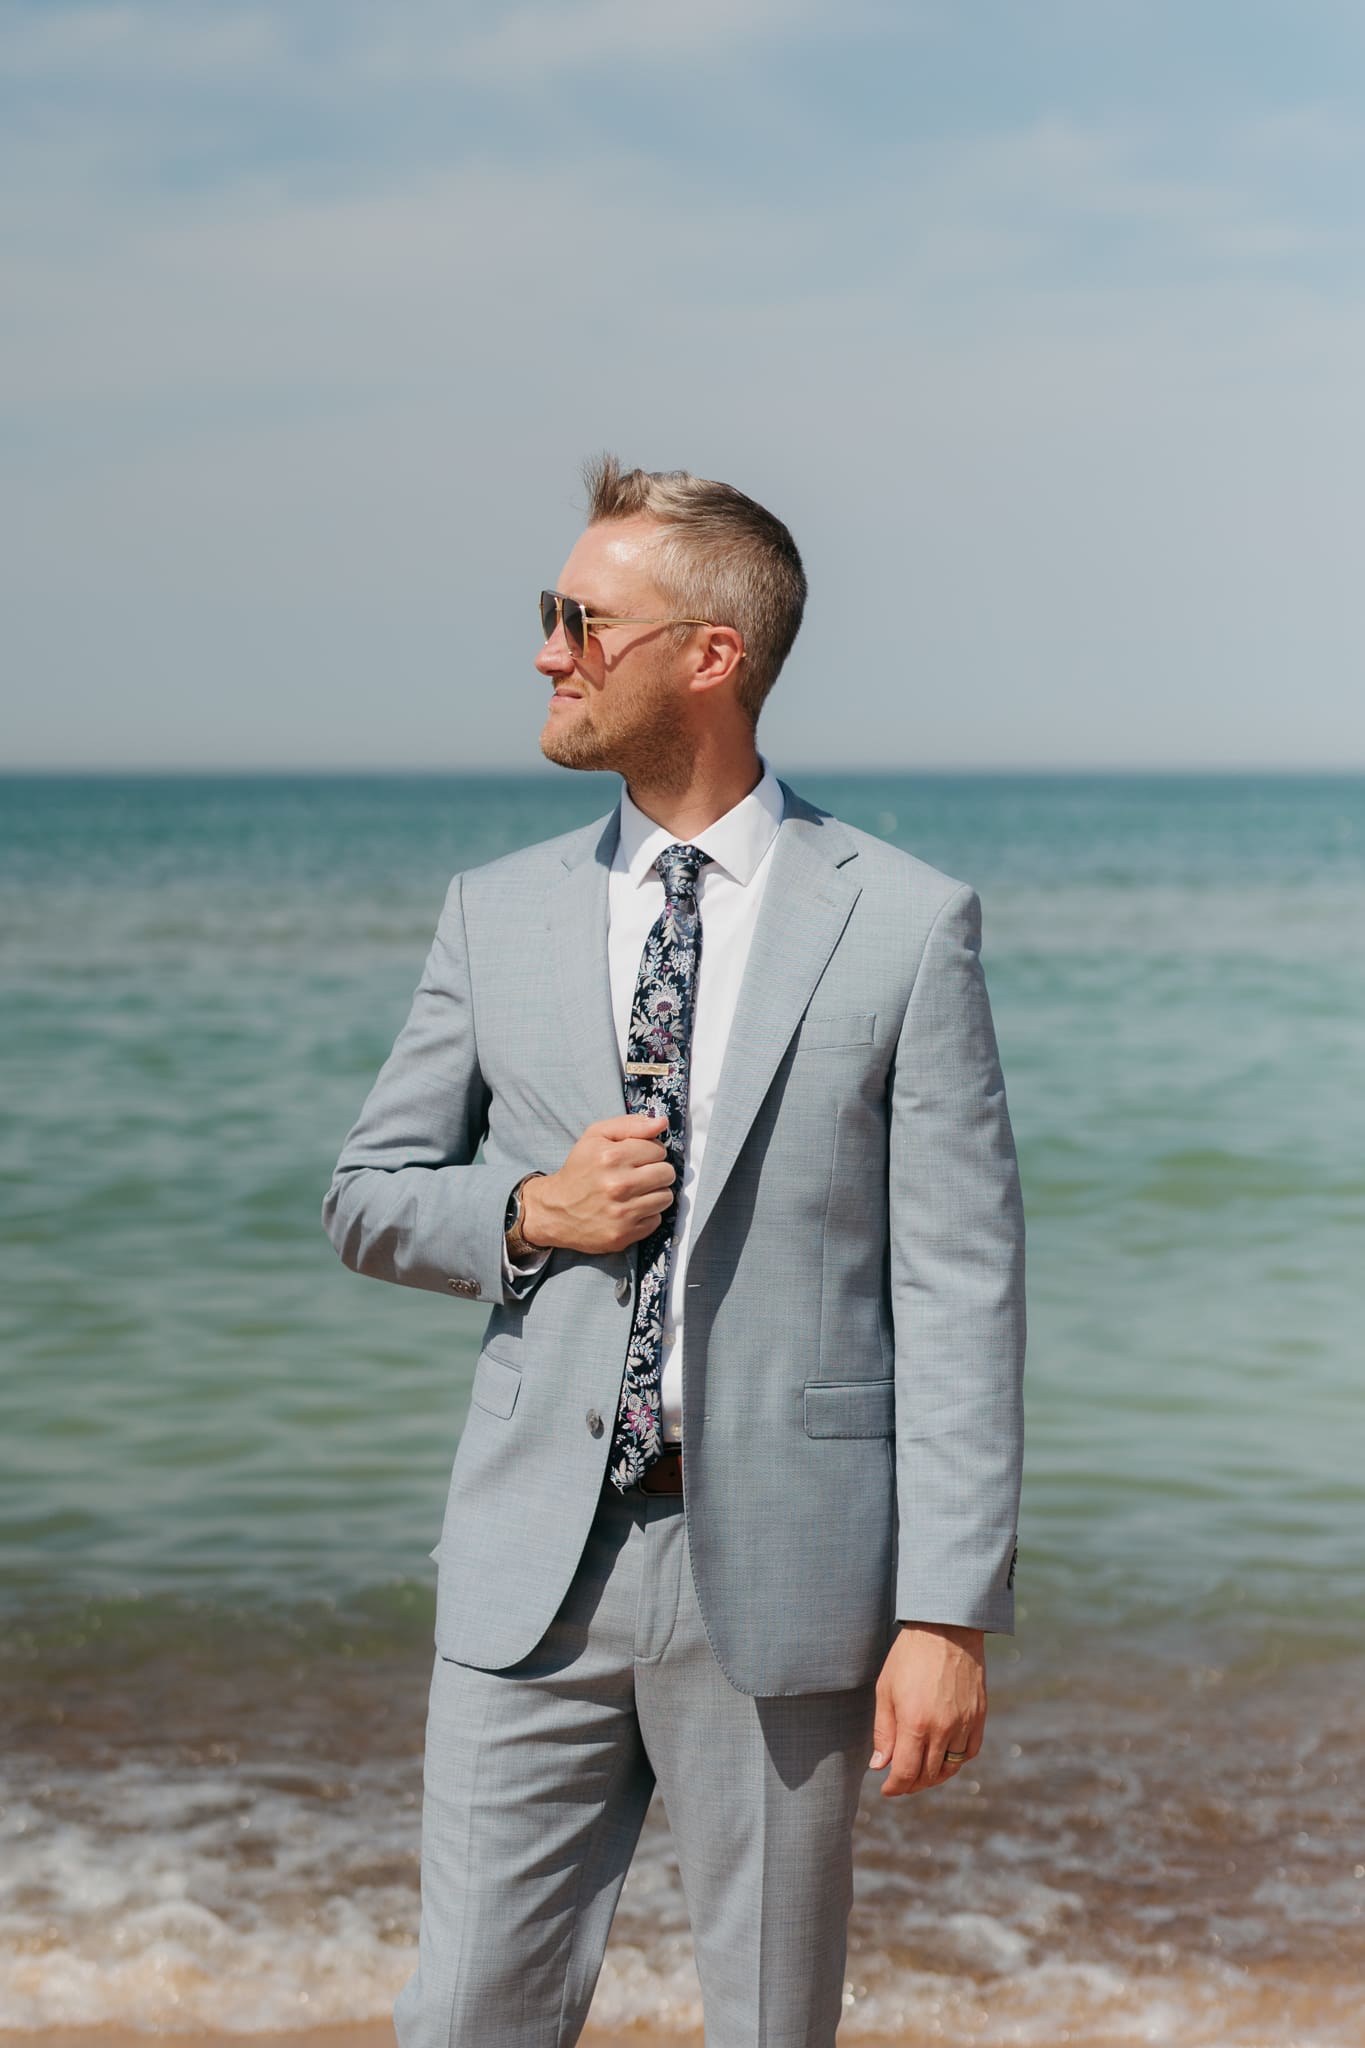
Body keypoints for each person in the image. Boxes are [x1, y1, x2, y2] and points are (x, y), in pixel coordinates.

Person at [321, 456, 1026, 2047]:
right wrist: (525, 1213)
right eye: (548, 614)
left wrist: (947, 1609)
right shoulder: (492, 912)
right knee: (463, 2020)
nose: (546, 650)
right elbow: (366, 1191)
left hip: (781, 1583)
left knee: (772, 2025)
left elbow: (960, 1284)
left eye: (581, 618)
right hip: (529, 1580)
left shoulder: (905, 922)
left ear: (708, 655)